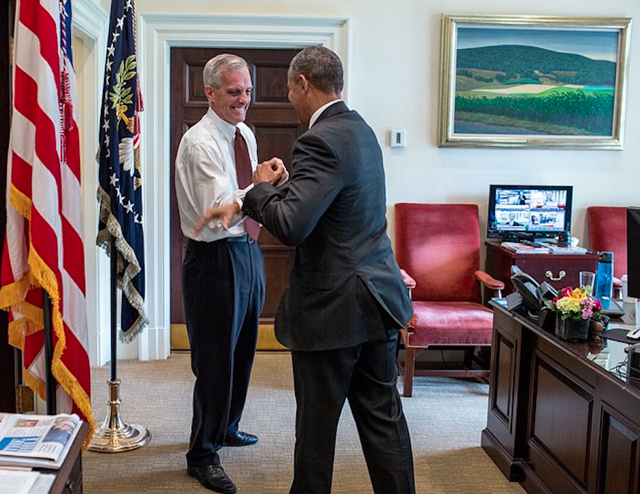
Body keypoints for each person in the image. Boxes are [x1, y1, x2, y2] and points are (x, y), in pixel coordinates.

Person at [196, 46, 416, 494]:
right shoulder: (361, 130)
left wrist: (258, 190)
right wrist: (288, 185)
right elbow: (332, 205)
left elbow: (293, 225)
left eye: (288, 90)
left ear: (302, 84)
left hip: (332, 310)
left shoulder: (318, 139)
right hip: (377, 301)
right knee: (383, 423)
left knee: (316, 432)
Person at [175, 53, 286, 494]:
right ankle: (202, 454)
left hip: (247, 253)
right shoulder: (200, 142)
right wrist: (258, 185)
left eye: (247, 90)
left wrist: (267, 184)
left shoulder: (243, 132)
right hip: (213, 262)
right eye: (234, 91)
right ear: (210, 93)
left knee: (243, 352)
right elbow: (216, 215)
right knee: (216, 362)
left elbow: (246, 201)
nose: (244, 99)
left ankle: (227, 427)